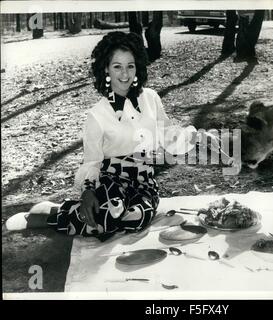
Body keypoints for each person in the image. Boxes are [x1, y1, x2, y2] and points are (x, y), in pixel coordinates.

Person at [5, 31, 199, 241]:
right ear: (106, 69)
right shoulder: (96, 115)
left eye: (130, 66)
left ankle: (64, 210)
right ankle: (51, 216)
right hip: (111, 179)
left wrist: (194, 136)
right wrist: (87, 192)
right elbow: (92, 161)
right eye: (117, 66)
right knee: (106, 217)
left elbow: (167, 134)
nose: (125, 74)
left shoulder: (151, 98)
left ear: (138, 67)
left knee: (135, 220)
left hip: (144, 181)